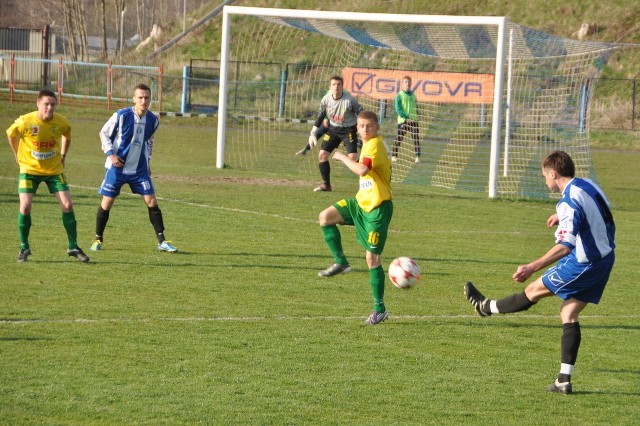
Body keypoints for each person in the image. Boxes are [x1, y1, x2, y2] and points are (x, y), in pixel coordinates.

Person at [464, 150, 616, 394]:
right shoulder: (587, 184)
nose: (545, 181)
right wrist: (563, 216)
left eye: (545, 176)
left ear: (553, 173)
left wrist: (531, 266)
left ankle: (485, 307)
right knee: (569, 313)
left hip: (584, 263)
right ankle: (563, 381)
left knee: (532, 290)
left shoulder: (567, 202)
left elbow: (564, 247)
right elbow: (599, 207)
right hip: (606, 258)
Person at [318, 111, 393, 325]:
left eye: (369, 126)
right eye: (361, 126)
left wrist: (341, 157)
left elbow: (362, 170)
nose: (365, 129)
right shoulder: (369, 145)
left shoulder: (376, 145)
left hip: (378, 209)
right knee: (325, 217)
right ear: (357, 128)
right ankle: (341, 262)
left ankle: (380, 310)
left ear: (377, 127)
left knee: (372, 259)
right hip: (361, 204)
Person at [90, 83, 177, 253]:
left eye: (146, 98)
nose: (143, 101)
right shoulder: (121, 115)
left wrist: (148, 161)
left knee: (152, 201)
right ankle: (98, 240)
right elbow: (103, 133)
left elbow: (149, 142)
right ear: (134, 99)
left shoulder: (153, 120)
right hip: (117, 167)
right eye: (140, 97)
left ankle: (162, 241)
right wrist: (111, 154)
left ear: (150, 99)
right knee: (107, 202)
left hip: (139, 169)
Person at [6, 89, 90, 263]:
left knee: (67, 205)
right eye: (46, 104)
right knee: (26, 207)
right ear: (38, 103)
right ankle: (24, 247)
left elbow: (67, 134)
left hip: (54, 171)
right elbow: (11, 134)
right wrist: (17, 154)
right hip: (29, 170)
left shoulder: (61, 122)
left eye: (52, 104)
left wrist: (63, 155)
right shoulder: (25, 121)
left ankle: (73, 246)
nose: (49, 108)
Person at [308, 75, 363, 192]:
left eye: (339, 84)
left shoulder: (349, 100)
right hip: (333, 129)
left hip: (349, 130)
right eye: (334, 84)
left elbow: (361, 113)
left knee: (352, 158)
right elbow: (321, 115)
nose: (336, 87)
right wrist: (313, 132)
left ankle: (369, 179)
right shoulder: (326, 99)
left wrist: (362, 127)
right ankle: (326, 185)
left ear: (342, 86)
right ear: (330, 86)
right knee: (322, 155)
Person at [392, 76, 420, 163]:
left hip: (413, 120)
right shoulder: (399, 95)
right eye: (405, 82)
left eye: (409, 82)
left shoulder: (413, 95)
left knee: (416, 138)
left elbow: (416, 107)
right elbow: (398, 109)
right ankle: (394, 155)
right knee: (399, 138)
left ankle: (417, 157)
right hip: (403, 120)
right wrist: (406, 117)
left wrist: (416, 116)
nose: (407, 84)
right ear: (402, 84)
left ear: (411, 84)